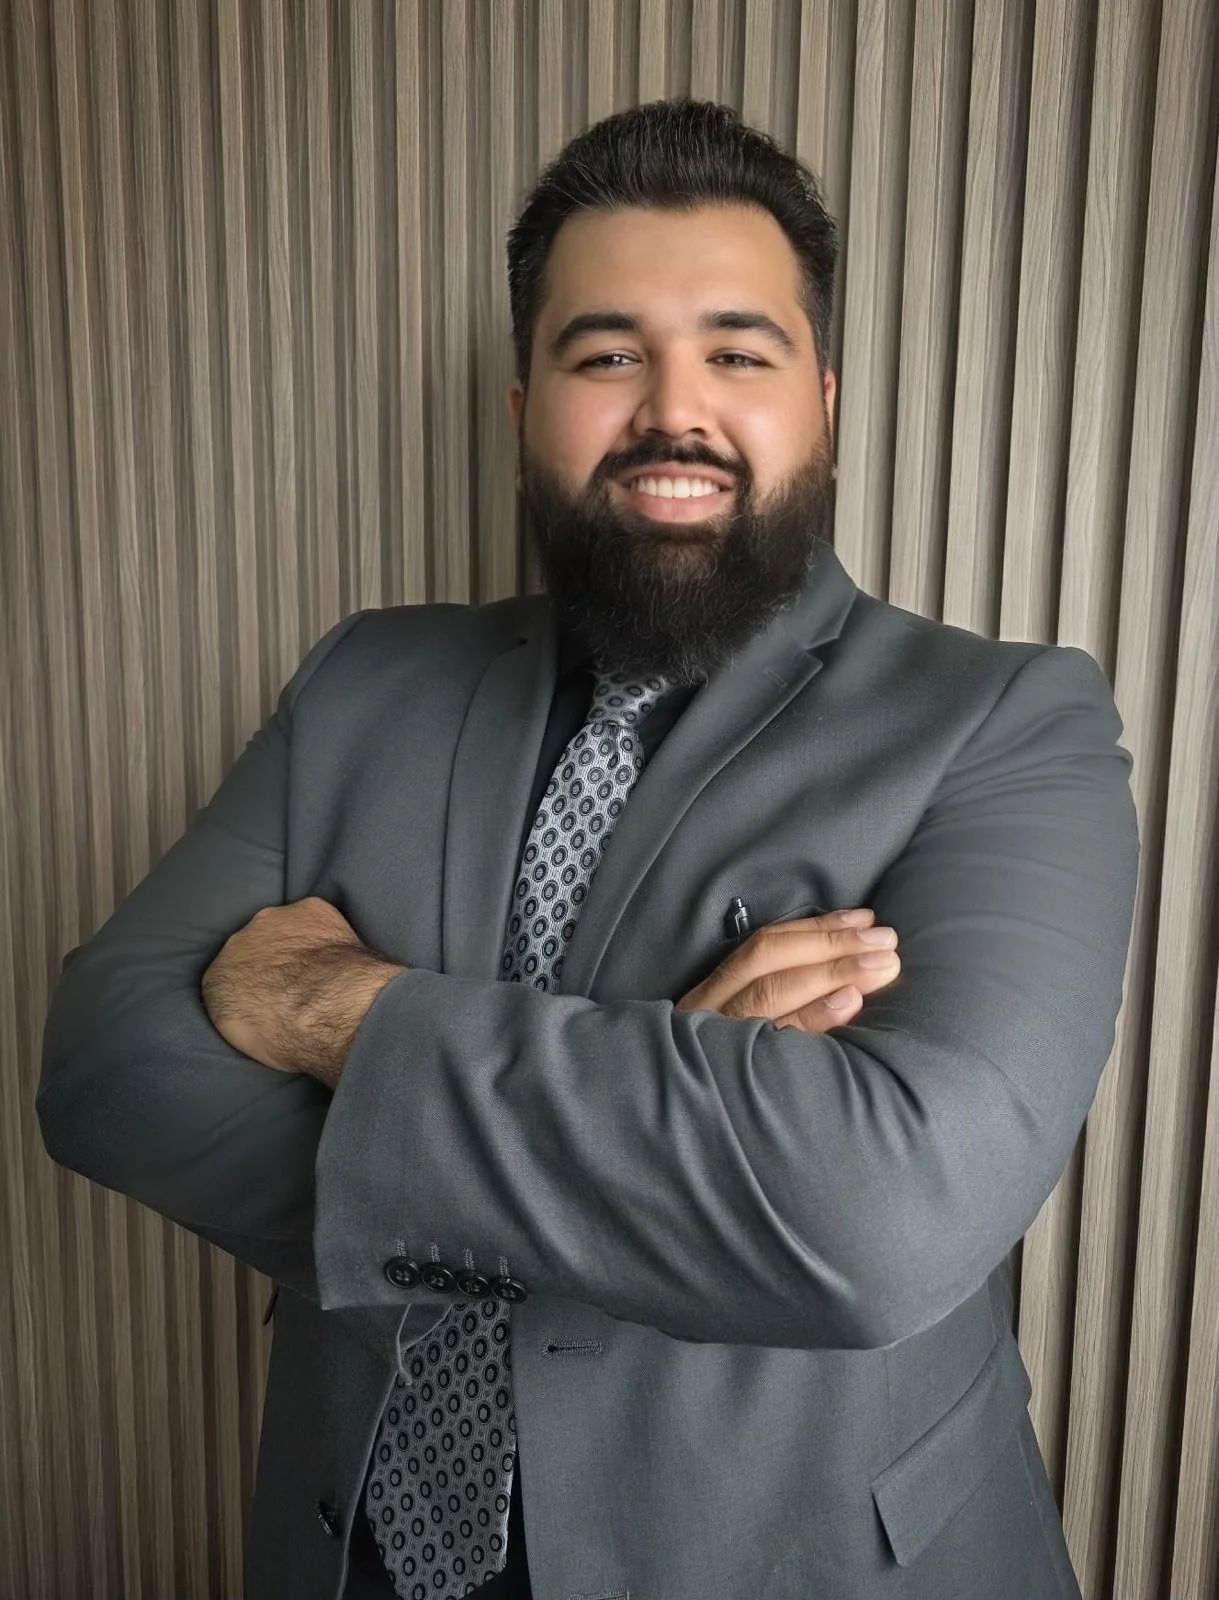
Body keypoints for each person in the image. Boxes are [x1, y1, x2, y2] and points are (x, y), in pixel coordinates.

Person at [37, 99, 1140, 1600]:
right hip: (354, 1552)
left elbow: (882, 1220)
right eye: (606, 354)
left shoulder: (1006, 722)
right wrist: (684, 1124)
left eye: (737, 355)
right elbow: (106, 1068)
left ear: (821, 399)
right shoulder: (363, 680)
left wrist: (337, 1011)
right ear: (522, 407)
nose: (671, 412)